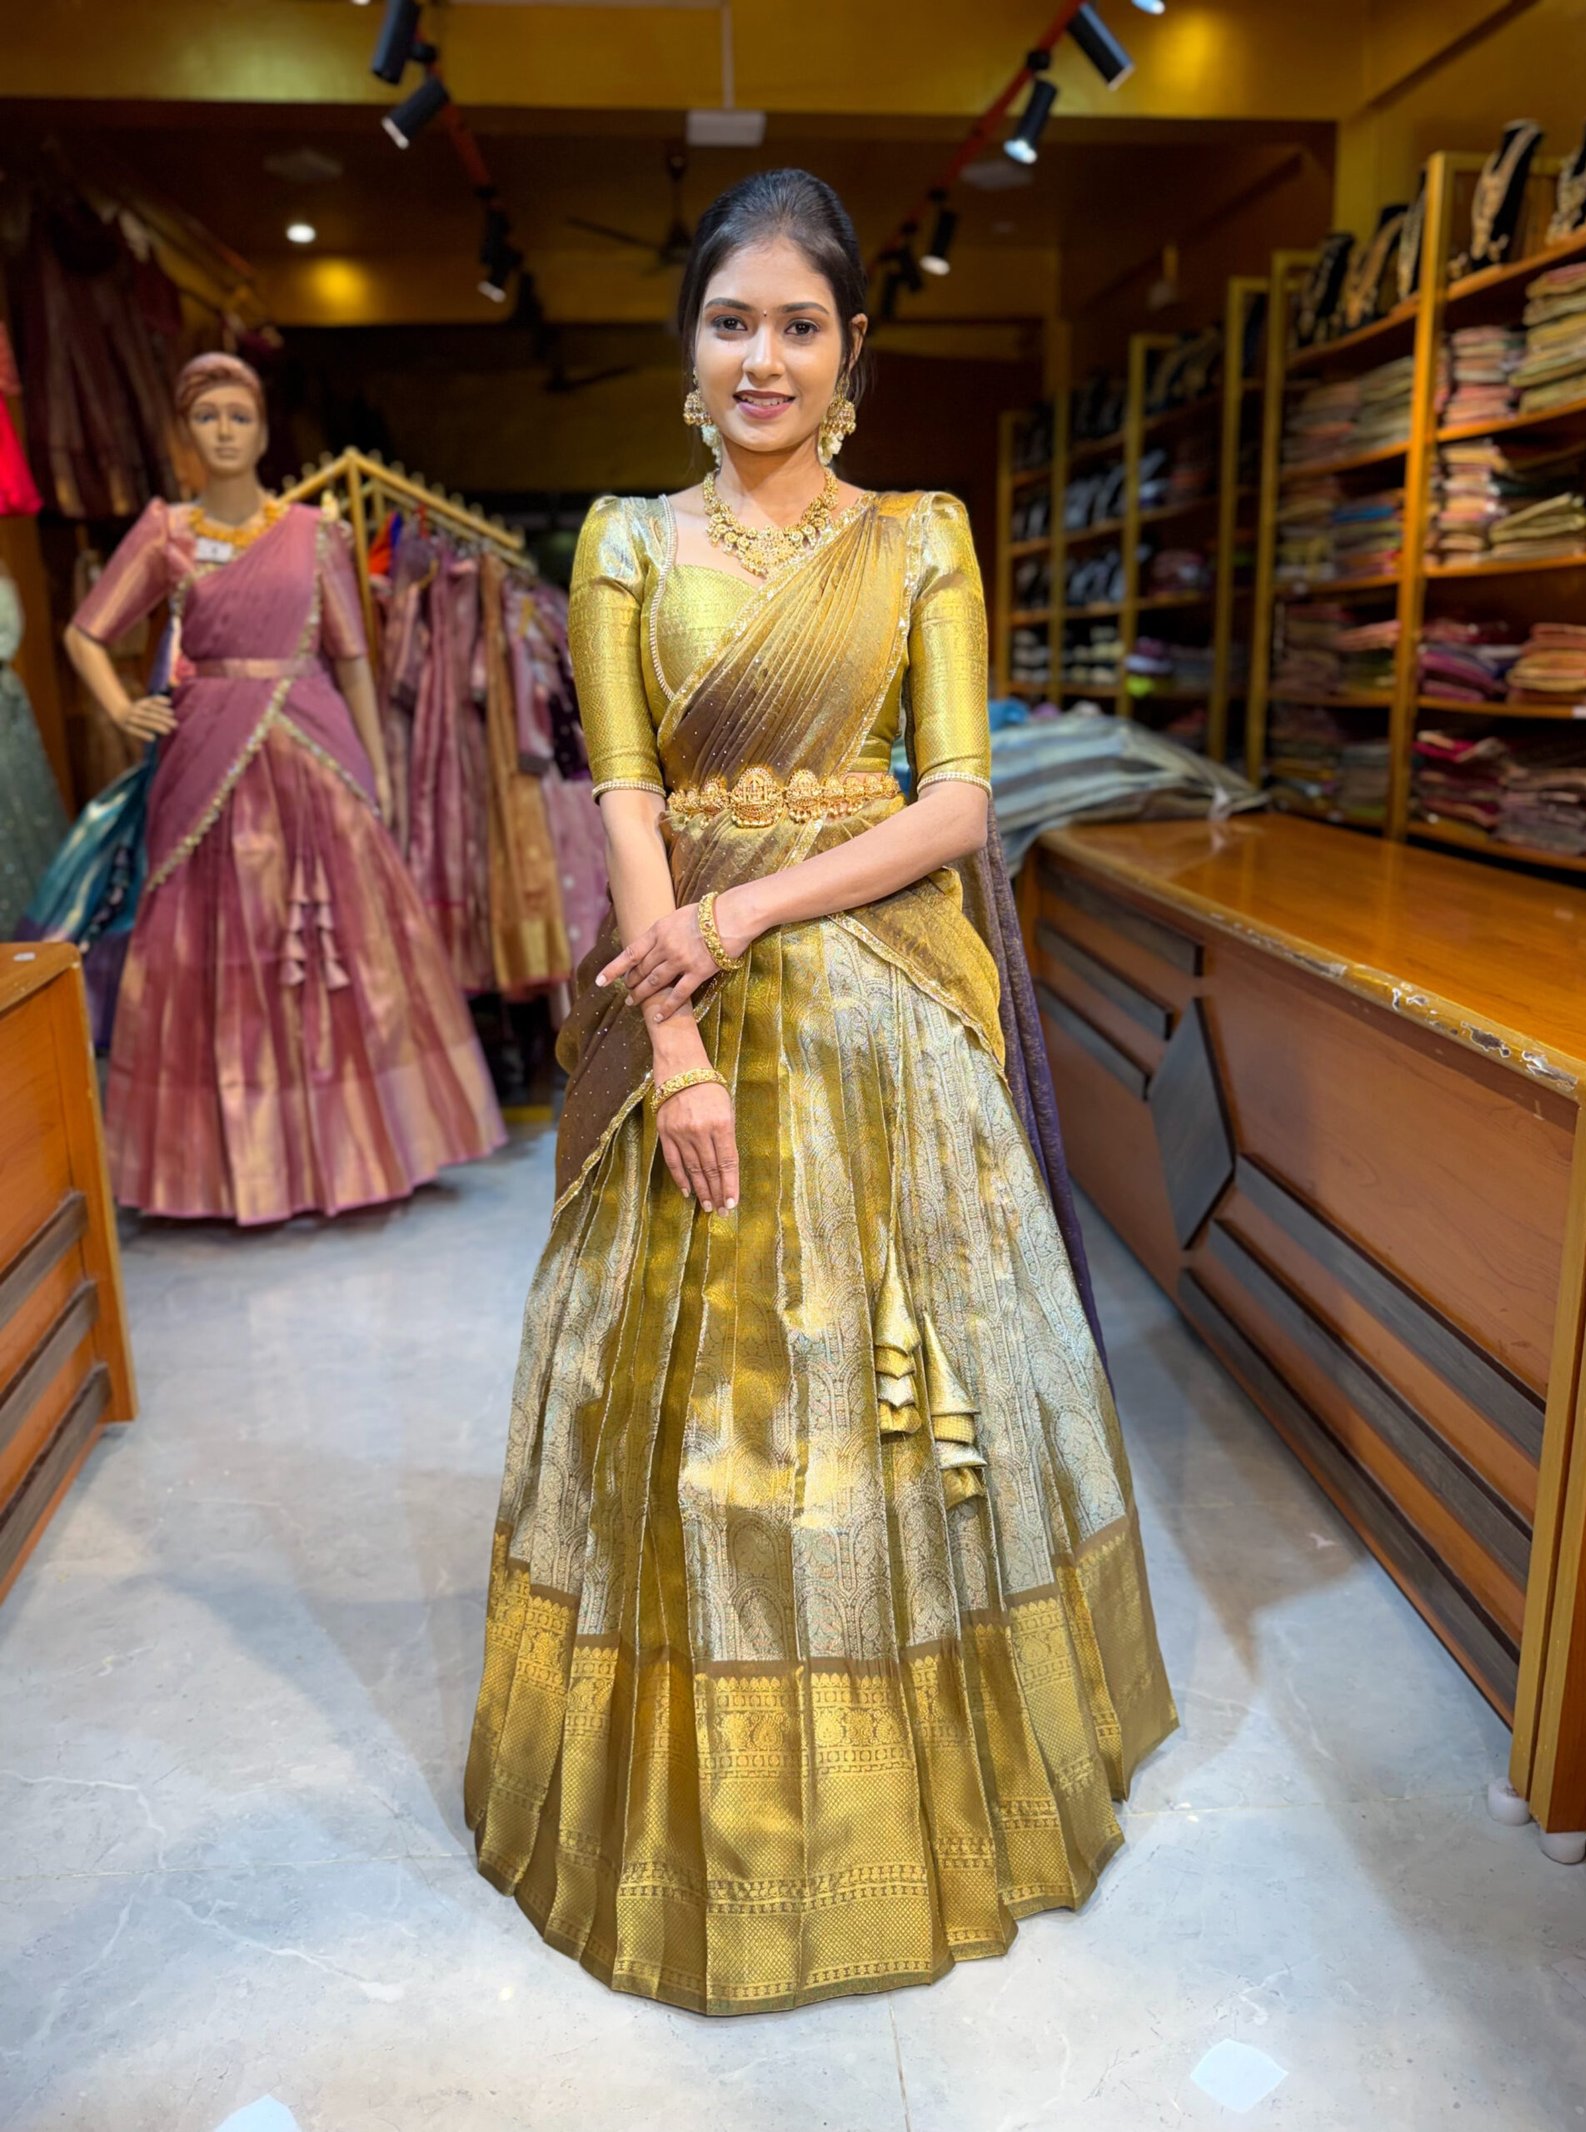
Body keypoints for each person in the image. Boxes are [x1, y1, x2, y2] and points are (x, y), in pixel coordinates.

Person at [464, 169, 1177, 2015]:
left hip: (883, 1010)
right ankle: (699, 1797)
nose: (762, 358)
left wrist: (749, 908)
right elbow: (625, 796)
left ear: (854, 348)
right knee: (691, 1400)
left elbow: (957, 803)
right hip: (682, 1012)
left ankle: (933, 1781)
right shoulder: (626, 543)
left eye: (798, 325)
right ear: (689, 348)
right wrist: (678, 1038)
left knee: (909, 1397)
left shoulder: (923, 534)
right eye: (731, 323)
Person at [62, 352, 505, 1223]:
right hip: (205, 756)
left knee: (343, 955)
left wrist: (377, 771)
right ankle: (230, 1170)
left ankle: (360, 1155)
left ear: (263, 431)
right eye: (207, 417)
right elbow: (86, 634)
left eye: (239, 416)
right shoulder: (165, 532)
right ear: (184, 434)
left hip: (316, 754)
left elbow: (351, 657)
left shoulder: (316, 533)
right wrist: (120, 706)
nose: (225, 432)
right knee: (216, 951)